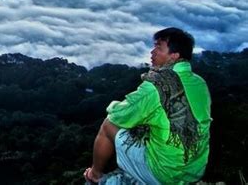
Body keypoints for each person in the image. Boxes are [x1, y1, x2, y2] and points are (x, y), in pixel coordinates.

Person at [83, 27, 212, 184]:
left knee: (109, 124)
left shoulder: (156, 87)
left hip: (166, 173)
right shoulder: (199, 83)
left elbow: (119, 115)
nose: (152, 52)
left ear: (174, 56)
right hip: (194, 170)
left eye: (159, 47)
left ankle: (94, 175)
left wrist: (114, 105)